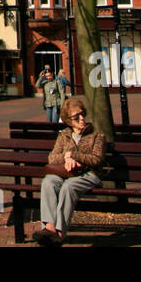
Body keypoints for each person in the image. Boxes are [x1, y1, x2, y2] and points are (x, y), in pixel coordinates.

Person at [33, 96, 104, 245]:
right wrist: (66, 158)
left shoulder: (96, 136)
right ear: (68, 120)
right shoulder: (63, 135)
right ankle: (49, 227)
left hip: (89, 174)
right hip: (66, 173)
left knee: (68, 187)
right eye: (76, 117)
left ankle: (59, 233)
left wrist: (75, 156)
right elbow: (52, 158)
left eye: (82, 114)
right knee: (48, 182)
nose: (81, 118)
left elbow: (97, 159)